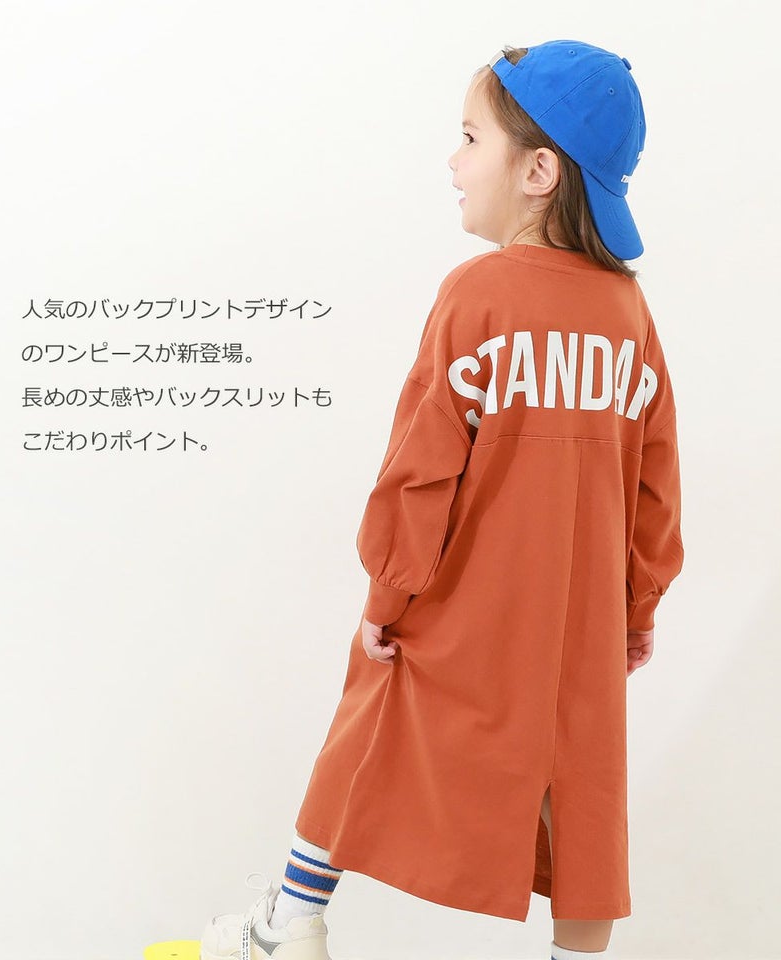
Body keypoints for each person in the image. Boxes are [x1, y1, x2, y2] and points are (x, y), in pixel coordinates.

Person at [200, 39, 684, 960]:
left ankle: (290, 923)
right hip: (578, 628)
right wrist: (637, 609)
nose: (453, 160)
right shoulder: (629, 314)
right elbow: (656, 482)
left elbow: (420, 469)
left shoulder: (477, 295)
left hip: (464, 611)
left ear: (538, 172)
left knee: (373, 706)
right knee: (584, 790)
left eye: (469, 138)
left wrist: (387, 598)